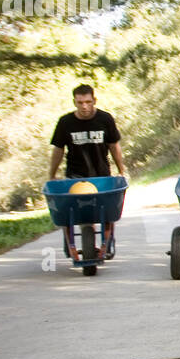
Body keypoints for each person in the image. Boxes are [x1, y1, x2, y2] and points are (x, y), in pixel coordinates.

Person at [48, 84, 125, 258]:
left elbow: (114, 146)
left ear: (94, 101)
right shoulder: (65, 122)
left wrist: (121, 170)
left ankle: (106, 243)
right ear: (74, 102)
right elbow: (58, 150)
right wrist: (52, 175)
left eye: (88, 102)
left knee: (107, 210)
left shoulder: (105, 119)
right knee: (74, 212)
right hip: (76, 175)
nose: (84, 106)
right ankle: (71, 242)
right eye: (80, 102)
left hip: (101, 174)